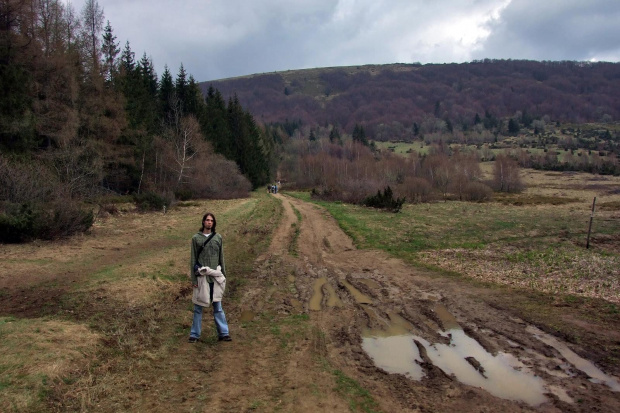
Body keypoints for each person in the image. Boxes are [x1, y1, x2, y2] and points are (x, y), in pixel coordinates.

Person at [188, 212, 231, 343]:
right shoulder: (196, 238)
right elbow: (193, 260)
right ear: (203, 222)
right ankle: (194, 335)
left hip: (215, 276)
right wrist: (194, 280)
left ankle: (223, 333)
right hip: (202, 276)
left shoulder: (218, 237)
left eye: (211, 220)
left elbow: (221, 258)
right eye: (207, 220)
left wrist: (223, 276)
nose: (209, 222)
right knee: (198, 307)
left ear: (214, 223)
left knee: (218, 306)